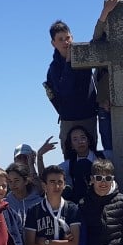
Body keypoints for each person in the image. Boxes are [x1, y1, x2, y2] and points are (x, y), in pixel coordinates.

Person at [45, 19, 98, 150]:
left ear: (72, 37)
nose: (65, 42)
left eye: (67, 37)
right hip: (68, 119)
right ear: (53, 43)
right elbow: (65, 90)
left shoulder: (85, 57)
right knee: (70, 158)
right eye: (60, 39)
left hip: (88, 116)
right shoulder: (53, 68)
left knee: (91, 156)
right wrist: (68, 62)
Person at [37, 124, 100, 204]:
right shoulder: (69, 164)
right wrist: (39, 156)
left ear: (89, 140)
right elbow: (46, 177)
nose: (80, 141)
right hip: (81, 205)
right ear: (71, 145)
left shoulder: (105, 156)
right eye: (75, 139)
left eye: (83, 137)